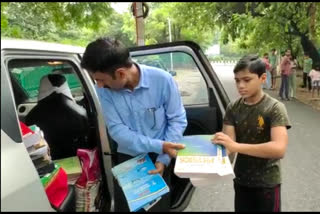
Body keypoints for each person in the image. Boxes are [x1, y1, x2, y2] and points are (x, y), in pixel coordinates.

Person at [80, 37, 187, 212]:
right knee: (128, 209)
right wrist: (160, 146)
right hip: (130, 160)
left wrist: (163, 159)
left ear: (121, 73)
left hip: (160, 158)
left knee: (157, 209)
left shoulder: (162, 80)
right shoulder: (104, 90)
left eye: (101, 79)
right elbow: (117, 130)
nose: (98, 85)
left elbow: (177, 120)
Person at [212, 55, 291, 212]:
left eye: (247, 80)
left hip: (267, 184)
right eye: (237, 80)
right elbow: (229, 149)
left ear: (262, 78)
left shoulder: (275, 108)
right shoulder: (233, 108)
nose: (241, 85)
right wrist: (198, 160)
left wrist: (236, 146)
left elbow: (279, 149)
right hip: (241, 182)